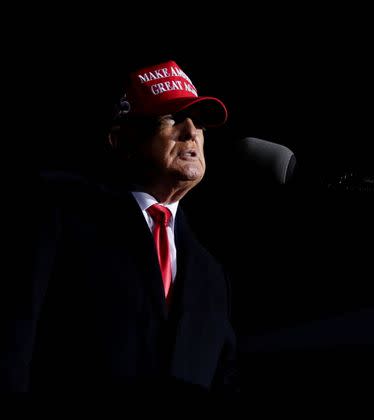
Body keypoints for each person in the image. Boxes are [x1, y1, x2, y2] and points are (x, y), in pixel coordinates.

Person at [1, 59, 239, 396]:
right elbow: (13, 340)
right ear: (121, 141)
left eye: (199, 121)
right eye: (172, 118)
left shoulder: (211, 273)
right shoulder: (61, 213)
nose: (191, 133)